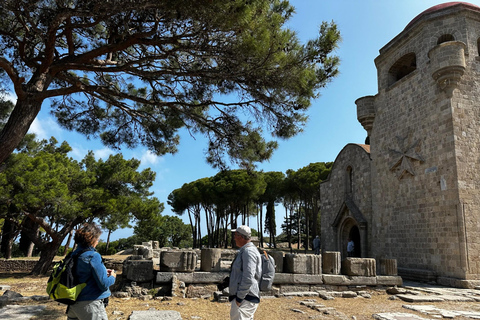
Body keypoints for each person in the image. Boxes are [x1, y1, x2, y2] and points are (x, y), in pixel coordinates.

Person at [67, 223, 116, 320]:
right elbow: (104, 283)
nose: (97, 242)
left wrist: (102, 271)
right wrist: (112, 277)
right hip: (90, 304)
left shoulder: (73, 255)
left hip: (73, 304)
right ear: (92, 239)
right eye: (97, 239)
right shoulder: (93, 256)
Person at [229, 225, 262, 320]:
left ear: (240, 236)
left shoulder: (248, 252)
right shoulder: (246, 251)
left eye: (235, 235)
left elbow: (248, 277)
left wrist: (239, 299)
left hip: (245, 298)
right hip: (246, 297)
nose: (234, 238)